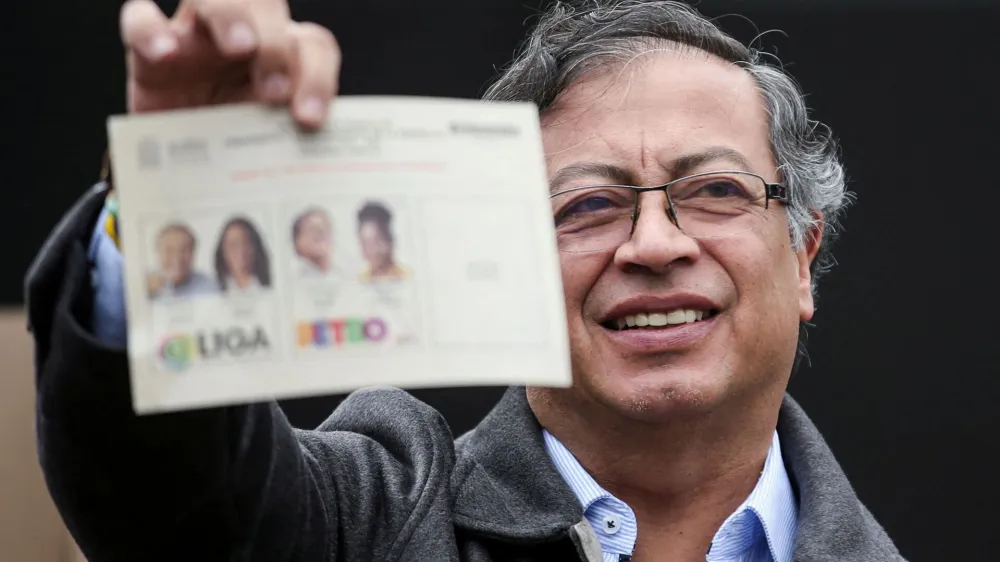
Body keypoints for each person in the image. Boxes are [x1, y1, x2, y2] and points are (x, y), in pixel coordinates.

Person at [23, 1, 906, 561]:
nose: (652, 243)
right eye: (587, 206)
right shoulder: (368, 518)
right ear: (505, 265)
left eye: (713, 191)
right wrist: (175, 204)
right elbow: (167, 503)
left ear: (800, 256)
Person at [145, 222, 216, 300]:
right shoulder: (143, 287)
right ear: (157, 252)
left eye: (184, 250)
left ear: (193, 253)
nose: (177, 257)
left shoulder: (211, 287)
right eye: (170, 250)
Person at [214, 216, 272, 293]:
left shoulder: (270, 286)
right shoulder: (213, 290)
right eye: (233, 245)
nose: (241, 251)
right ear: (223, 252)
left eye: (245, 243)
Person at [357, 201, 410, 282]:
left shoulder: (406, 278)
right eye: (365, 244)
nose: (370, 251)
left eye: (375, 242)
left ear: (389, 240)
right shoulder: (361, 281)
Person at [291, 206, 340, 279]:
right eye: (312, 228)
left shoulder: (341, 276)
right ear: (298, 242)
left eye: (325, 226)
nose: (321, 231)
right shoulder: (293, 281)